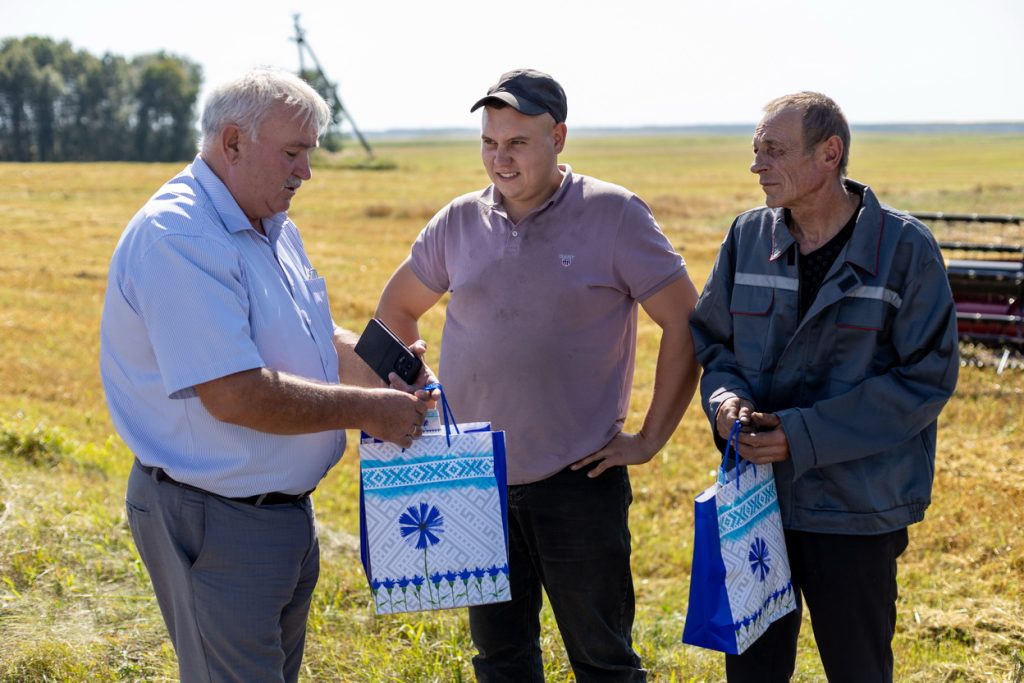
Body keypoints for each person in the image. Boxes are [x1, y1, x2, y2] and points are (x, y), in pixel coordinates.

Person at [99, 68, 433, 682]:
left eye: (308, 153)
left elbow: (313, 338)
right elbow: (235, 394)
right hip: (217, 519)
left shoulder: (271, 224)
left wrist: (388, 374)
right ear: (232, 142)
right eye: (293, 152)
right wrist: (369, 410)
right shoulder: (180, 236)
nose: (306, 171)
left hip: (275, 515)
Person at [374, 68, 700, 682]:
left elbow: (685, 322)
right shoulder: (458, 222)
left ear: (559, 137)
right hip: (476, 480)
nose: (500, 158)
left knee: (602, 660)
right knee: (500, 659)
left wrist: (651, 438)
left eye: (517, 143)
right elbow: (396, 309)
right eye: (490, 143)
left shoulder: (614, 215)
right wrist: (417, 388)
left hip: (578, 480)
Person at [689, 92, 959, 682]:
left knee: (858, 669)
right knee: (752, 672)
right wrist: (725, 402)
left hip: (856, 512)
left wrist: (801, 435)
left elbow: (926, 378)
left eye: (773, 151)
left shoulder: (906, 251)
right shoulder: (747, 237)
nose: (757, 165)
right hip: (757, 505)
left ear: (829, 153)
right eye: (755, 151)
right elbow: (715, 345)